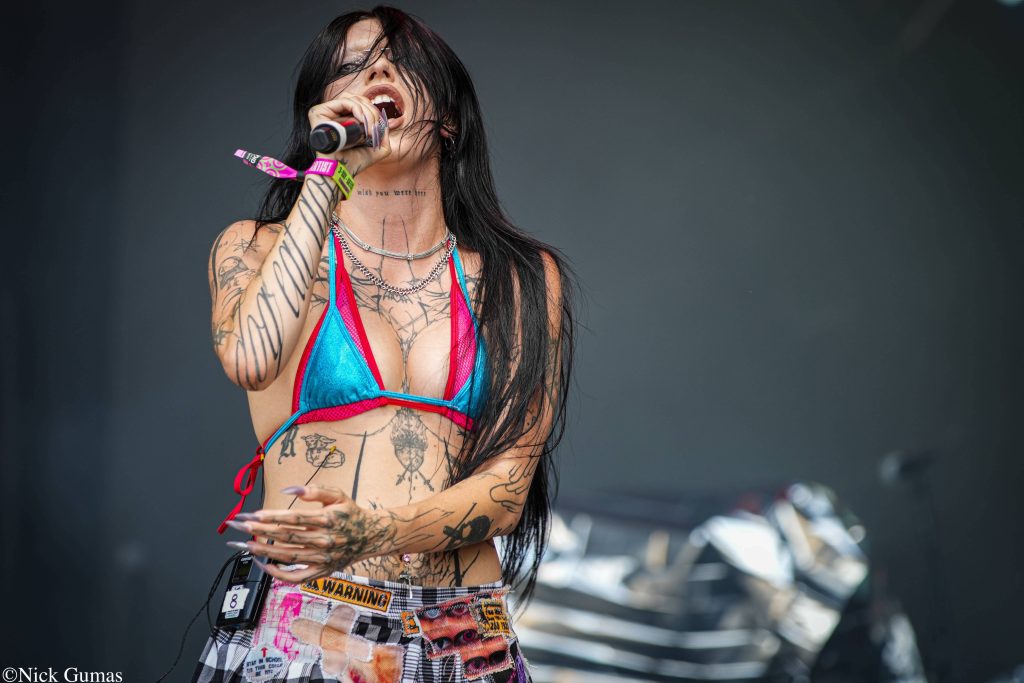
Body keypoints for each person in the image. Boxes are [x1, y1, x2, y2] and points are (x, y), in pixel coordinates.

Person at [192, 5, 576, 682]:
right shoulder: (252, 247)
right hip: (313, 621)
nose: (375, 75)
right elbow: (250, 357)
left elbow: (508, 487)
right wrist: (328, 170)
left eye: (400, 65)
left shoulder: (520, 278)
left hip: (465, 633)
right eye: (349, 68)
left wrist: (376, 531)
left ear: (448, 118)